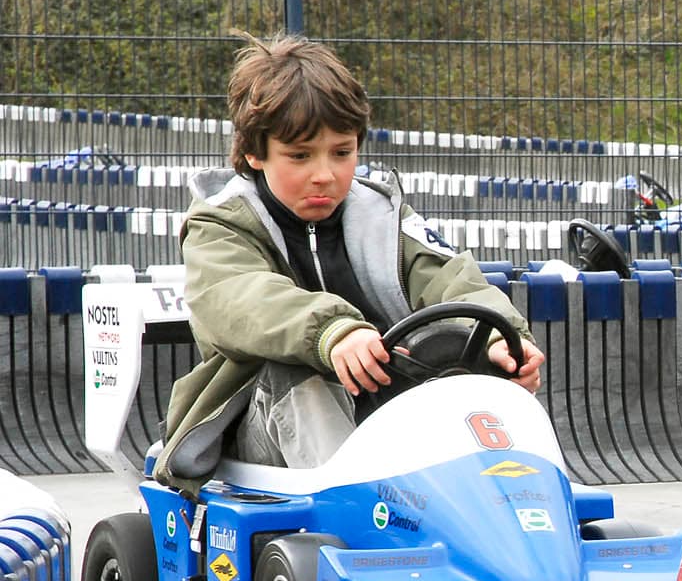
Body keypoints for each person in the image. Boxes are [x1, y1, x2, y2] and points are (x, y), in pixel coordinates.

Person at [155, 33, 544, 494]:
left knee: (476, 365)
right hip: (262, 433)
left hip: (390, 418)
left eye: (342, 153)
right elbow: (242, 299)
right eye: (300, 156)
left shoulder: (381, 216)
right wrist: (334, 332)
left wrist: (504, 337)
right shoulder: (220, 225)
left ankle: (516, 505)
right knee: (298, 372)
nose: (325, 174)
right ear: (255, 154)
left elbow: (449, 278)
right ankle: (352, 511)